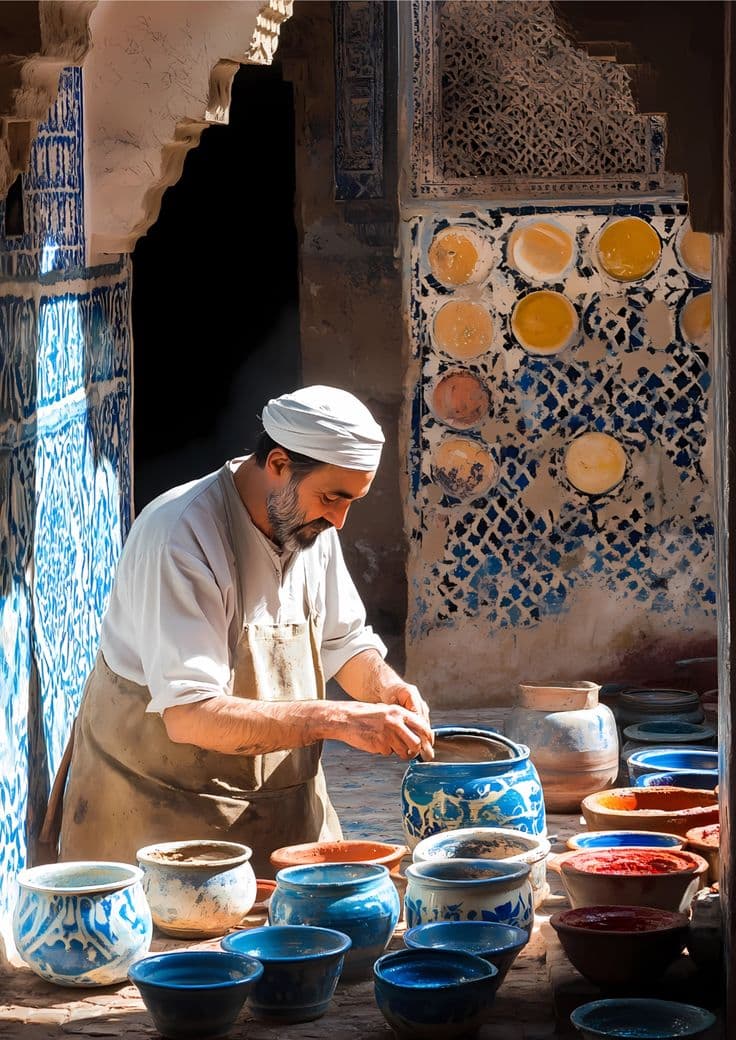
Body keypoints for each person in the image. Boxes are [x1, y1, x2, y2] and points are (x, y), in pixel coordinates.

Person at [57, 386, 434, 875]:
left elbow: (344, 643)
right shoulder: (181, 534)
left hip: (280, 815)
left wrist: (388, 688)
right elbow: (191, 715)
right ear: (278, 464)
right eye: (332, 498)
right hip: (162, 822)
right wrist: (338, 719)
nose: (340, 520)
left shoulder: (310, 525)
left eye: (352, 502)